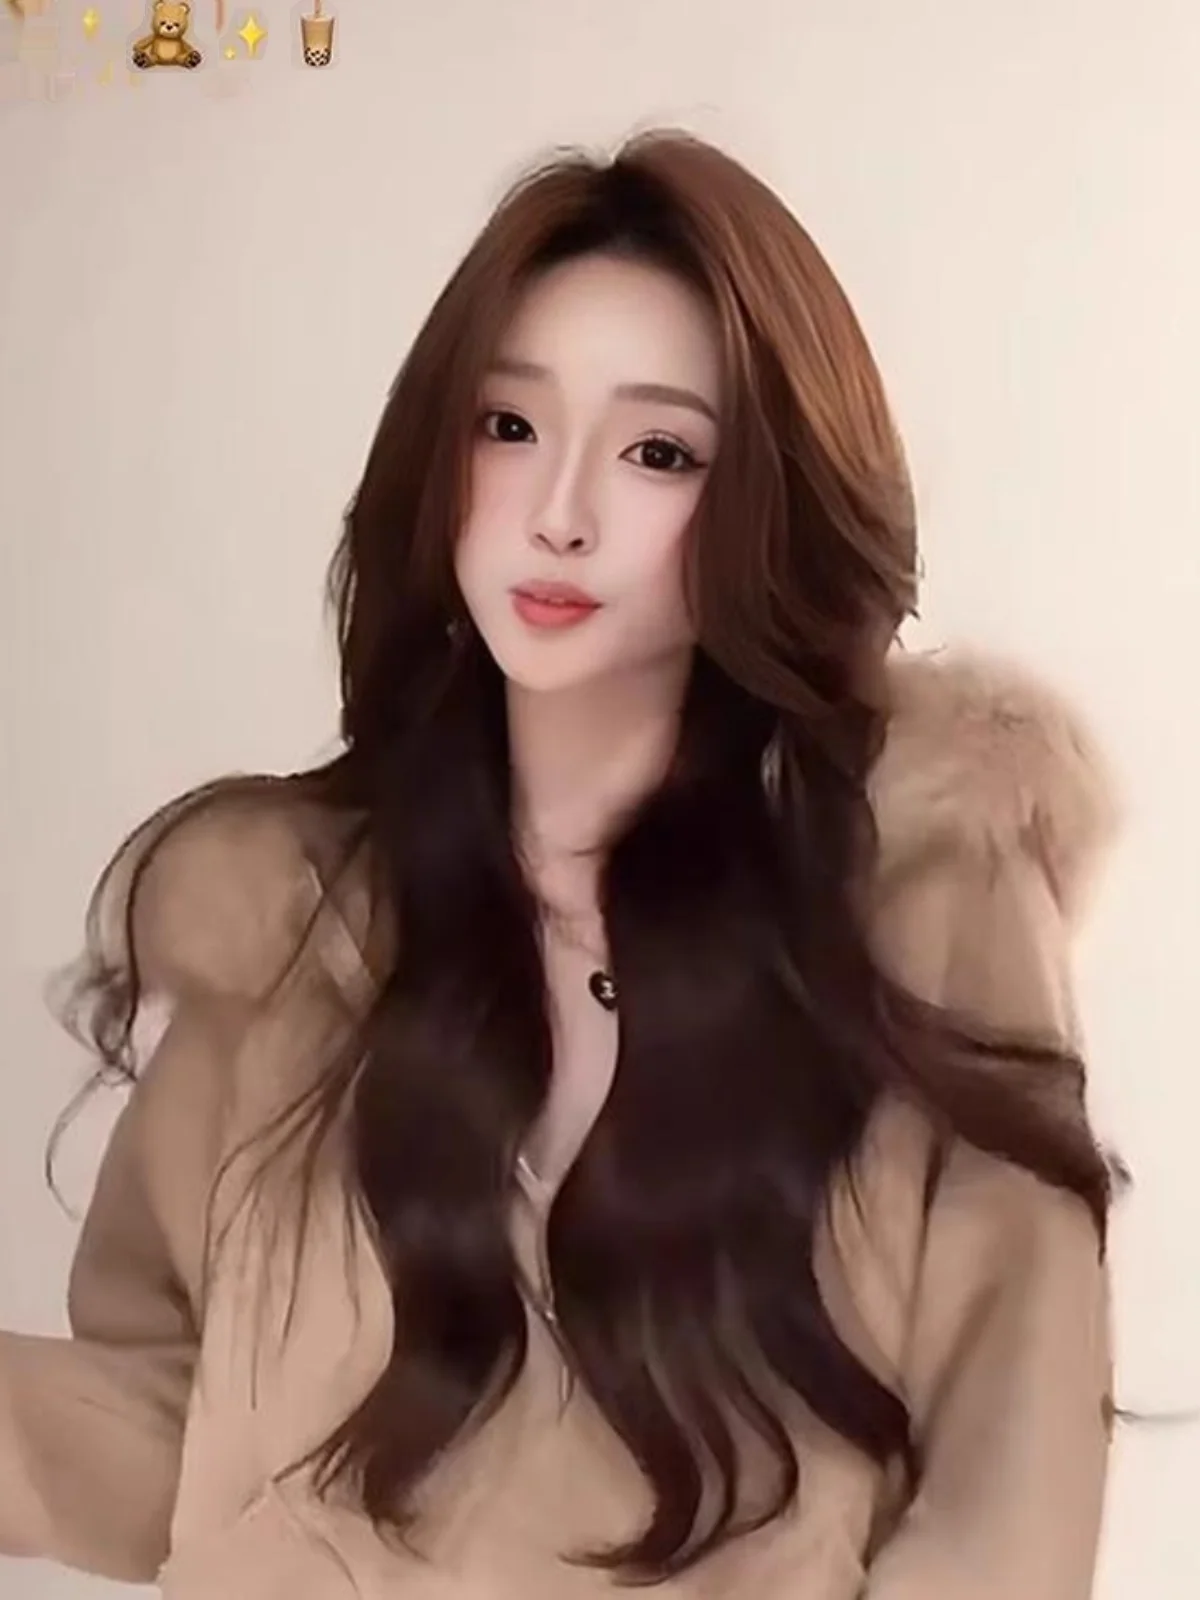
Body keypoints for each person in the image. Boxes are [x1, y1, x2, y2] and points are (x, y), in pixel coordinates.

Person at [0, 129, 1120, 1598]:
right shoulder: (288, 925)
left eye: (659, 452)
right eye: (510, 425)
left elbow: (1006, 1503)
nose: (559, 510)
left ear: (769, 499)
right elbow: (189, 1438)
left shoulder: (919, 898)